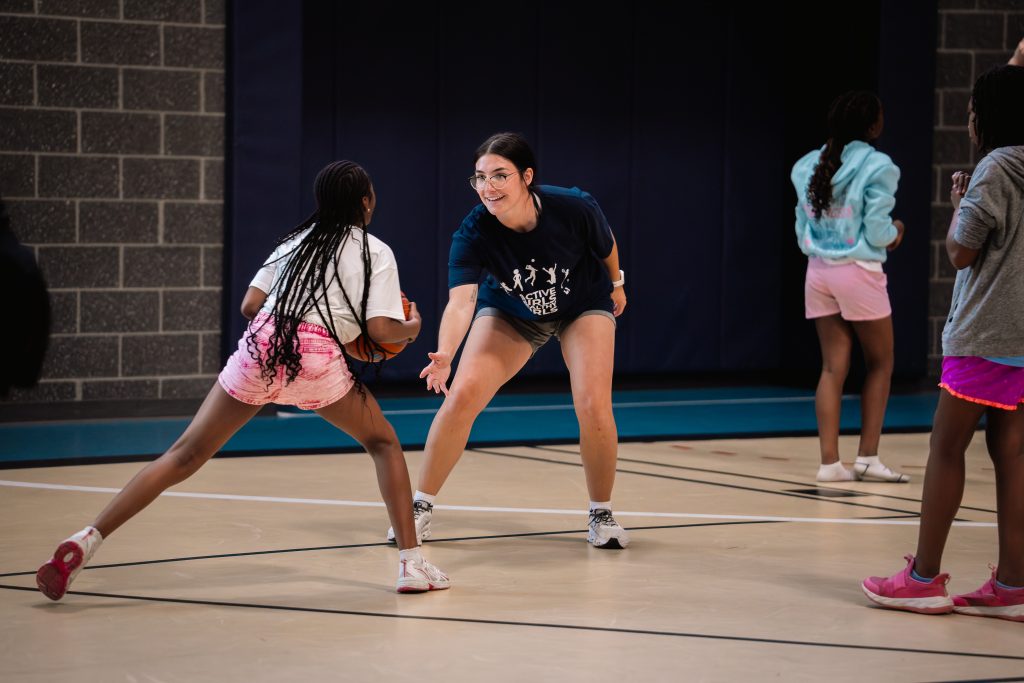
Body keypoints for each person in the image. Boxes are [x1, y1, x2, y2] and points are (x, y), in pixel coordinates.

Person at [35, 161, 450, 599]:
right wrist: (413, 327)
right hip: (315, 356)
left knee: (184, 454)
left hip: (262, 344)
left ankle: (87, 539)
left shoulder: (293, 241)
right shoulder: (375, 251)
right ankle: (411, 564)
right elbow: (383, 331)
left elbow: (251, 305)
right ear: (366, 202)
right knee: (383, 443)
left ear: (321, 202)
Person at [386, 132, 630, 549]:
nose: (488, 187)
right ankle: (419, 508)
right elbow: (461, 303)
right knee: (461, 395)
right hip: (513, 314)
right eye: (480, 177)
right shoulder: (473, 232)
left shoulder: (573, 207)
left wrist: (618, 284)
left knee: (592, 404)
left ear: (526, 177)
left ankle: (600, 514)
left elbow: (606, 245)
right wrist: (445, 354)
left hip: (581, 306)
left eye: (500, 175)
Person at [862, 61, 1024, 621]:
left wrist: (960, 208)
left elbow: (962, 252)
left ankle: (923, 578)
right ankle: (1012, 585)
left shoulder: (996, 167)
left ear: (985, 117)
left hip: (985, 334)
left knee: (946, 448)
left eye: (973, 111)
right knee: (1014, 455)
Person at [790, 91, 909, 484]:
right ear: (873, 126)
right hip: (858, 270)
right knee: (881, 362)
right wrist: (895, 234)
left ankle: (829, 465)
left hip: (819, 269)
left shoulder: (808, 164)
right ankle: (867, 458)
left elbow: (801, 224)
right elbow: (877, 229)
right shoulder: (878, 166)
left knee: (831, 367)